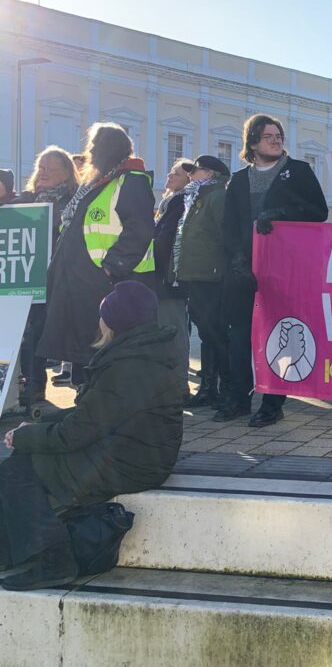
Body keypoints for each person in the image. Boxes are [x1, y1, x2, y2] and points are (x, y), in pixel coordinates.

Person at [0, 280, 183, 591]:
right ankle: (10, 554)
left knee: (19, 471)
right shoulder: (142, 351)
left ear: (116, 322)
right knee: (24, 457)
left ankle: (55, 559)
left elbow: (76, 433)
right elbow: (92, 413)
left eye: (103, 314)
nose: (99, 320)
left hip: (133, 463)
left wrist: (26, 437)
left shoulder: (128, 365)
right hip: (136, 451)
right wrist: (33, 428)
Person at [221, 114, 328, 427]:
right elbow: (228, 225)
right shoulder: (239, 180)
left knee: (279, 335)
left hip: (284, 268)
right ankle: (239, 398)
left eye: (278, 135)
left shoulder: (298, 171)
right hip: (244, 269)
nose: (276, 140)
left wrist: (282, 213)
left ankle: (273, 402)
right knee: (239, 336)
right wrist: (236, 259)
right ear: (253, 143)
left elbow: (318, 212)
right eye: (268, 136)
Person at [36, 123, 155, 387]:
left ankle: (98, 396)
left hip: (107, 279)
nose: (89, 151)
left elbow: (140, 230)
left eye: (93, 146)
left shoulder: (131, 181)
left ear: (107, 148)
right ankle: (85, 394)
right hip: (83, 280)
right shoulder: (99, 180)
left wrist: (111, 266)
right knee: (84, 346)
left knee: (102, 346)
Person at [13, 148, 79, 407]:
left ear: (66, 174)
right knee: (31, 332)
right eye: (41, 167)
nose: (44, 173)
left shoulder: (73, 200)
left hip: (61, 276)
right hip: (29, 276)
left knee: (60, 331)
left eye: (51, 169)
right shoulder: (27, 198)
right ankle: (31, 385)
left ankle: (79, 385)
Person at [176, 155, 232, 410]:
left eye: (195, 170)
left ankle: (225, 386)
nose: (190, 174)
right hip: (195, 273)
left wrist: (221, 269)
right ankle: (209, 387)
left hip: (209, 274)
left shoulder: (217, 197)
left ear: (210, 173)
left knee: (214, 333)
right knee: (208, 334)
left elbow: (224, 236)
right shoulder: (198, 197)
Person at [153, 158, 193, 402]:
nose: (169, 175)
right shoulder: (168, 202)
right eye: (170, 171)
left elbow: (166, 240)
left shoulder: (180, 202)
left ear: (188, 180)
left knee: (174, 330)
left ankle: (179, 385)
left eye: (176, 173)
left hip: (170, 277)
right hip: (164, 276)